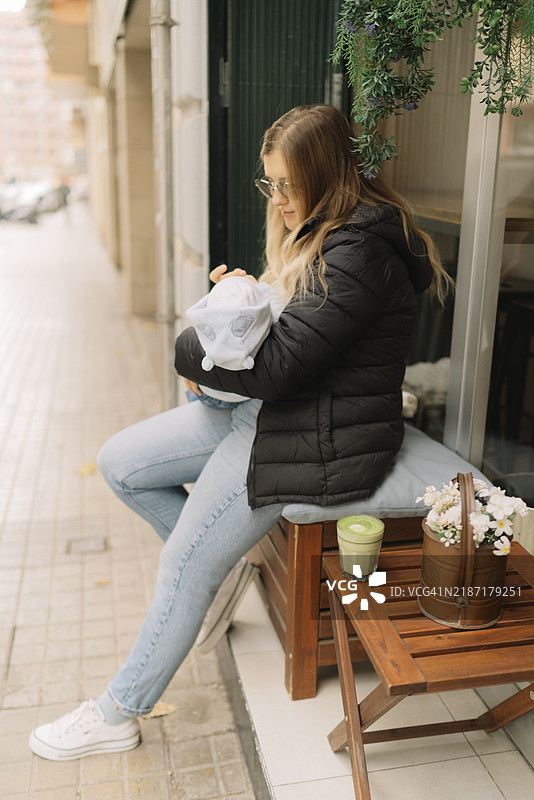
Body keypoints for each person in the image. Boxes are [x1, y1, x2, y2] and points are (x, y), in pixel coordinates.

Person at [29, 104, 449, 760]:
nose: (276, 198)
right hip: (271, 411)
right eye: (270, 183)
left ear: (328, 176)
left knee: (182, 565)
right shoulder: (321, 230)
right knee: (121, 463)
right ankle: (218, 571)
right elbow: (284, 342)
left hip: (315, 434)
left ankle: (118, 713)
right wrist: (241, 305)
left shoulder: (360, 251)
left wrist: (193, 348)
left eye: (287, 184)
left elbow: (278, 368)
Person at [185, 273, 284, 408]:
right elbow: (277, 309)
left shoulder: (213, 325)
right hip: (232, 393)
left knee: (191, 396)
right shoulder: (273, 318)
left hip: (209, 391)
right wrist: (260, 288)